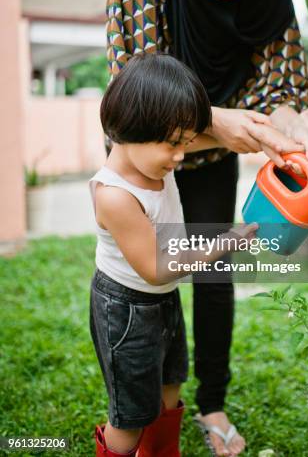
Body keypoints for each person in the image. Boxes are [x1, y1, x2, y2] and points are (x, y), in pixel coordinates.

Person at [106, 0, 308, 455]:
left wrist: (287, 122)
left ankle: (212, 403)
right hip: (146, 159)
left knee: (213, 271)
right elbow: (132, 102)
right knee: (142, 280)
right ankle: (137, 408)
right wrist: (213, 122)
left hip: (214, 154)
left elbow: (280, 85)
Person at [90, 52, 257, 457]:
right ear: (130, 129)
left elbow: (197, 139)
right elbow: (155, 269)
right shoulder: (115, 195)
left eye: (185, 141)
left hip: (163, 302)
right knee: (130, 417)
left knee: (169, 389)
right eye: (174, 144)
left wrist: (261, 136)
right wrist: (223, 243)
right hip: (126, 310)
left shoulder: (153, 160)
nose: (182, 155)